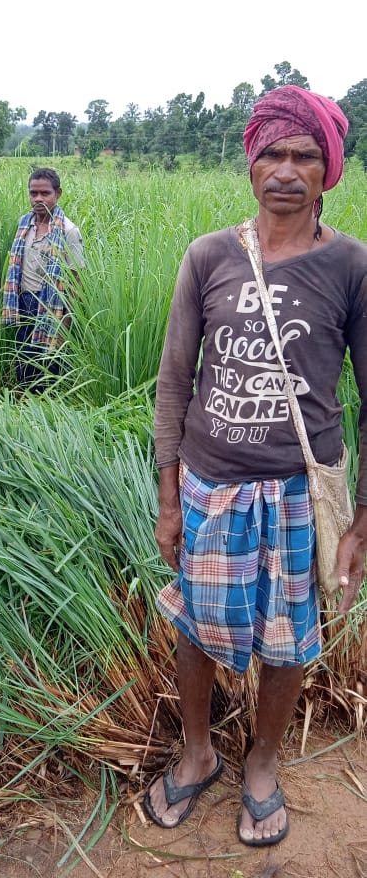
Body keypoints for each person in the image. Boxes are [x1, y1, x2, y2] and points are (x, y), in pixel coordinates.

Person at [144, 85, 367, 847]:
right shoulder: (209, 256)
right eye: (272, 152)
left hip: (301, 492)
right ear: (250, 164)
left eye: (304, 155)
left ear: (328, 170)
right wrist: (170, 496)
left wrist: (361, 519)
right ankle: (198, 749)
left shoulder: (350, 267)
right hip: (211, 486)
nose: (286, 169)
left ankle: (263, 765)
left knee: (289, 637)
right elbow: (174, 381)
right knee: (199, 628)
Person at [0, 168, 85, 392]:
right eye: (33, 193)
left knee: (49, 370)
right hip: (24, 305)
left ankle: (48, 417)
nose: (38, 199)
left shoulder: (69, 231)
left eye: (45, 193)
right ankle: (27, 411)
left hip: (52, 309)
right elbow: (15, 269)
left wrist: (63, 326)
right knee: (24, 365)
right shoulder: (23, 225)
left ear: (58, 194)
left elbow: (76, 283)